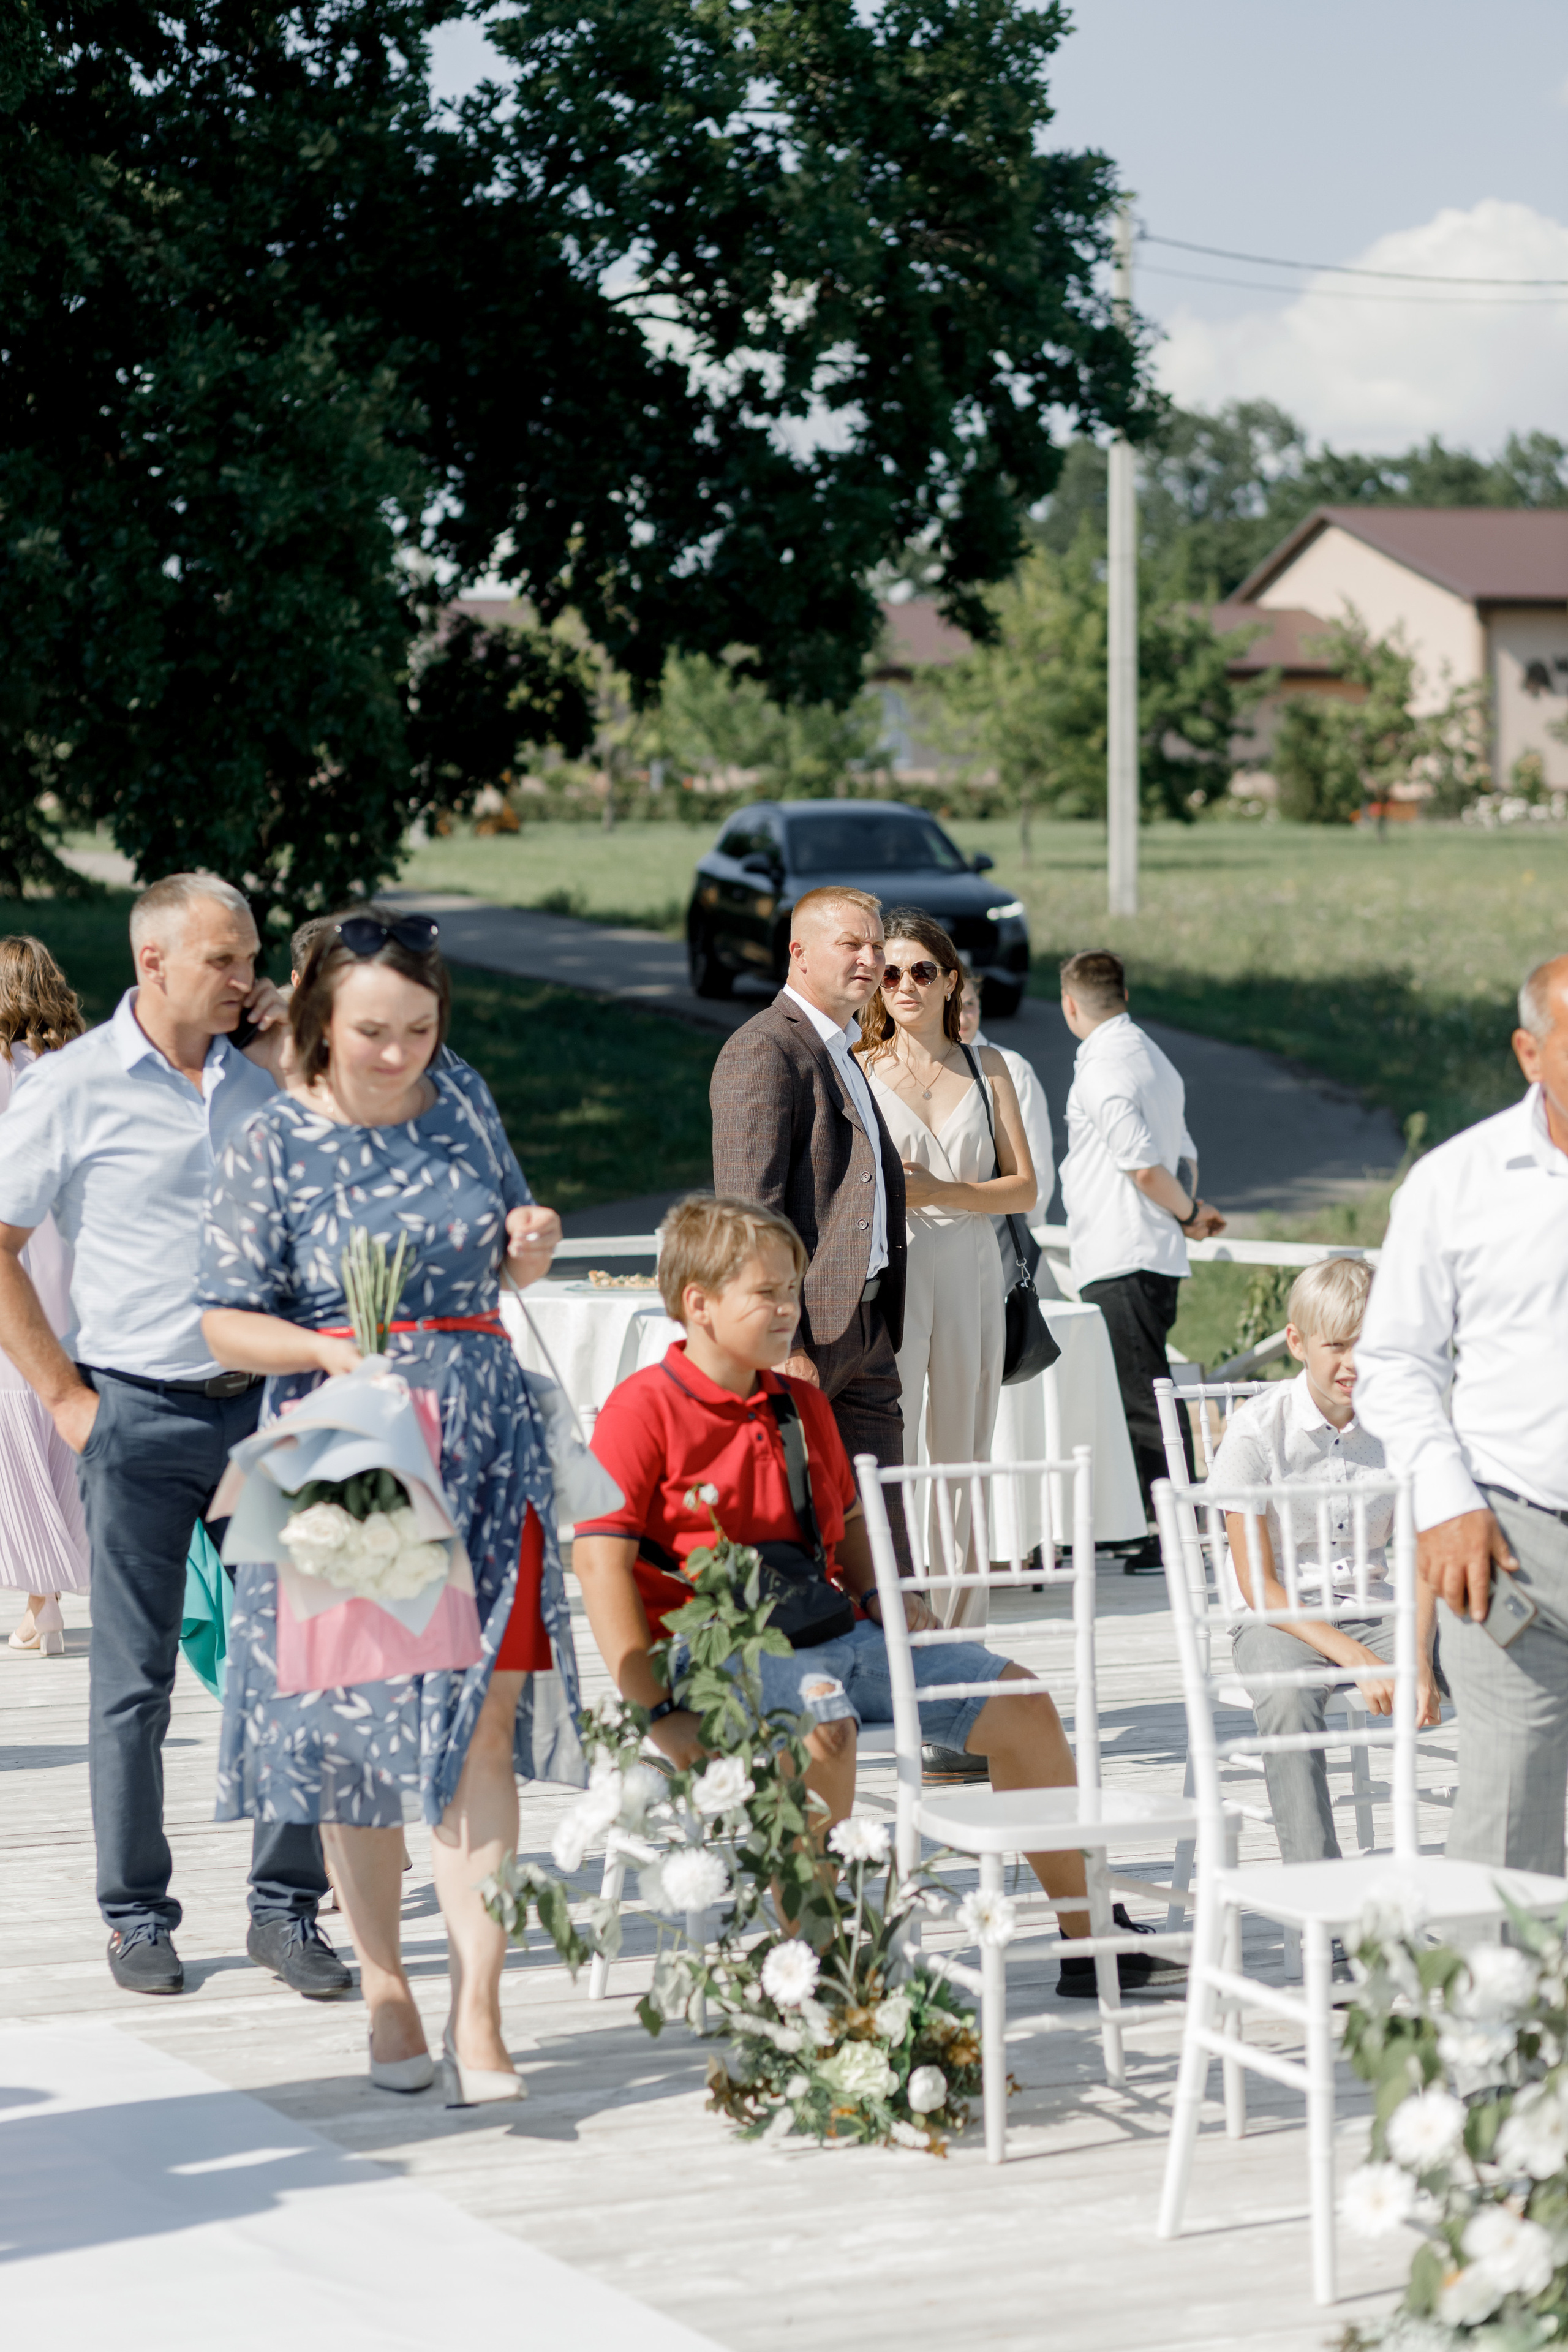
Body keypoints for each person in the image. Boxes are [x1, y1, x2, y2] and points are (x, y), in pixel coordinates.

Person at [573, 1193, 1181, 1997]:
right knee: (826, 1724)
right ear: (700, 1304)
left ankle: (1089, 1936)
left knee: (1022, 1702)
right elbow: (600, 1566)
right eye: (769, 1293)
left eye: (793, 1289)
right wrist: (656, 1710)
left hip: (830, 1627)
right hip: (716, 1650)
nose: (791, 1308)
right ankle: (826, 1966)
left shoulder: (799, 1402)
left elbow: (850, 1518)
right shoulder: (641, 1410)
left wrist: (885, 1597)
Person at [197, 909, 581, 2102]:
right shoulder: (273, 1140)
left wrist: (532, 1243)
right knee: (358, 1745)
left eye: (419, 1028)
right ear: (320, 1017)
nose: (400, 1052)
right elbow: (220, 1320)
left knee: (478, 1732)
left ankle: (480, 2008)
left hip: (482, 1440)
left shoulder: (461, 1099)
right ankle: (384, 1987)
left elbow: (511, 1244)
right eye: (373, 1031)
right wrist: (324, 1349)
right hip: (350, 1446)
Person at [0, 874, 342, 1996]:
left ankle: (287, 1909)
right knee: (134, 1683)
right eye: (227, 961)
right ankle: (135, 1915)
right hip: (135, 1412)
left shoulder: (263, 1088)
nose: (250, 980)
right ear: (154, 962)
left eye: (251, 960)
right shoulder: (69, 1086)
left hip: (268, 1413)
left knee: (296, 1667)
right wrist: (63, 1398)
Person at [1356, 954, 1568, 1876]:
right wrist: (1445, 1503)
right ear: (1531, 1051)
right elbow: (1395, 1361)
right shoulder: (1456, 1183)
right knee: (1511, 1804)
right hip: (1511, 1536)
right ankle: (1486, 2019)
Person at [1214, 1257, 1440, 1870]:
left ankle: (1499, 1873)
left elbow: (1423, 1555)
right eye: (1336, 1346)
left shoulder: (1403, 1426)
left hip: (1377, 1606)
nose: (1354, 1365)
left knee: (1496, 1659)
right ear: (1296, 1343)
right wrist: (1359, 1658)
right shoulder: (1255, 1432)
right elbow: (1257, 1588)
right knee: (1287, 1697)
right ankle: (1321, 1894)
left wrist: (1414, 1657)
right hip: (1279, 1620)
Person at [856, 910, 1033, 1645]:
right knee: (889, 1459)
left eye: (921, 971)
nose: (904, 986)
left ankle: (960, 1646)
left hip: (969, 1266)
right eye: (889, 973)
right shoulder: (860, 1069)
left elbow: (1023, 1189)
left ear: (950, 979)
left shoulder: (988, 1069)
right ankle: (893, 1627)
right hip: (891, 1274)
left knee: (961, 1460)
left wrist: (942, 1194)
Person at [710, 887, 908, 1483]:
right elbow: (750, 1215)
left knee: (881, 1539)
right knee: (803, 1526)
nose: (871, 961)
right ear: (798, 952)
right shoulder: (763, 1049)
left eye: (877, 946)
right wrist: (785, 1341)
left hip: (867, 1327)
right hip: (806, 1336)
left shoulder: (843, 1046)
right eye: (850, 944)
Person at [1058, 949, 1226, 1571]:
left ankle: (1171, 1531)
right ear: (1122, 995)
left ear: (1070, 1005)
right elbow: (1180, 1153)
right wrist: (1190, 1208)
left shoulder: (1102, 1070)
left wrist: (1185, 1213)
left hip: (1121, 1247)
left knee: (1140, 1398)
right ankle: (1152, 1519)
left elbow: (1143, 1166)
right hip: (1151, 1249)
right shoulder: (1154, 1057)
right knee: (1146, 1390)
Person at [0, 938, 92, 1653]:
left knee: (18, 1410)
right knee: (64, 1401)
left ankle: (41, 1596)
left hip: (12, 1245)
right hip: (73, 1249)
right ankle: (50, 1596)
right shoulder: (79, 1063)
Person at [957, 967, 1055, 1224]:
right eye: (954, 1007)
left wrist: (1029, 1225)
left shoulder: (1012, 1067)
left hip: (1002, 1223)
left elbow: (1036, 1152)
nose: (963, 1019)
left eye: (970, 1005)